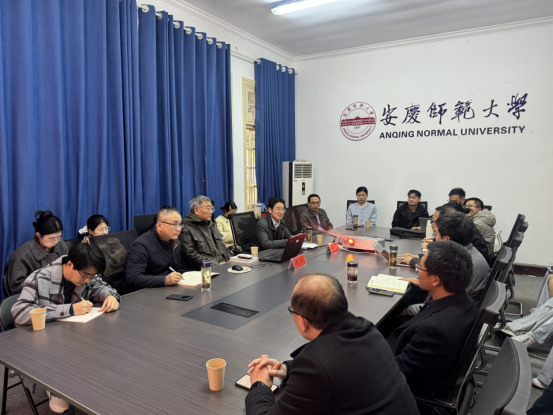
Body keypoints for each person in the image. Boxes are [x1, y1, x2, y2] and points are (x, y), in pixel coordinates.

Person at [245, 274, 419, 415]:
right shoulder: (366, 329)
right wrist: (287, 369)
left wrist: (259, 385)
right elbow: (337, 364)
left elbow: (322, 366)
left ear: (303, 322)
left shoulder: (315, 367)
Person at [12, 243, 120, 413]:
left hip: (76, 341)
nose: (88, 280)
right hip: (45, 346)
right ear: (70, 264)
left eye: (92, 276)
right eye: (85, 276)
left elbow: (100, 287)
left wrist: (111, 296)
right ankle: (55, 386)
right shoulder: (39, 278)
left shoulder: (87, 273)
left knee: (108, 363)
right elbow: (20, 312)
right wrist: (69, 309)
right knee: (63, 404)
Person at [386, 241, 479, 395]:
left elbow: (397, 375)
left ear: (436, 280)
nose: (417, 270)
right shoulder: (465, 301)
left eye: (420, 267)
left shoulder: (435, 332)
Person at [400, 212, 489, 319]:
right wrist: (424, 283)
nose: (435, 239)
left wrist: (405, 310)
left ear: (447, 239)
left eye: (436, 235)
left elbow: (437, 308)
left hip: (451, 316)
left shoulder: (462, 264)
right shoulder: (467, 254)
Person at [401, 202, 489, 264]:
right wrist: (419, 257)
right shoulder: (461, 232)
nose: (432, 224)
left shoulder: (462, 245)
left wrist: (415, 261)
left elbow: (440, 266)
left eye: (434, 221)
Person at [123, 206, 183, 293]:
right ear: (159, 225)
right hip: (142, 293)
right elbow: (132, 279)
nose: (179, 229)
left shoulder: (174, 242)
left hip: (164, 288)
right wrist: (165, 280)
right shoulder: (141, 245)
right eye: (174, 225)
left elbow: (176, 267)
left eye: (180, 224)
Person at [6, 210, 68, 295]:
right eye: (51, 239)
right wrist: (43, 283)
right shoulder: (22, 254)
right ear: (38, 235)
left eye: (59, 237)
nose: (56, 241)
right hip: (35, 295)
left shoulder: (62, 245)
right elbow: (16, 287)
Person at [179, 196, 232, 269]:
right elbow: (190, 255)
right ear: (196, 210)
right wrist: (216, 265)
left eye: (212, 209)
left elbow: (222, 247)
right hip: (209, 268)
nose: (211, 212)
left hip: (226, 264)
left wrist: (234, 259)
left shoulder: (212, 225)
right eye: (208, 208)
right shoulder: (186, 229)